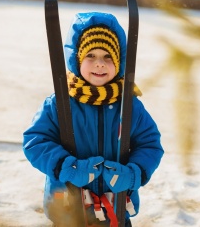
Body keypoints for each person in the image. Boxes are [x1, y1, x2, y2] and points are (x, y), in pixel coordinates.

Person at [23, 12, 164, 226]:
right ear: (77, 59)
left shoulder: (129, 106)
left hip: (116, 209)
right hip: (69, 209)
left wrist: (133, 173)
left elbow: (150, 145)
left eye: (108, 57)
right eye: (91, 56)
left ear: (119, 63)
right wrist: (66, 166)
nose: (100, 64)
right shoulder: (59, 103)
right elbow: (36, 142)